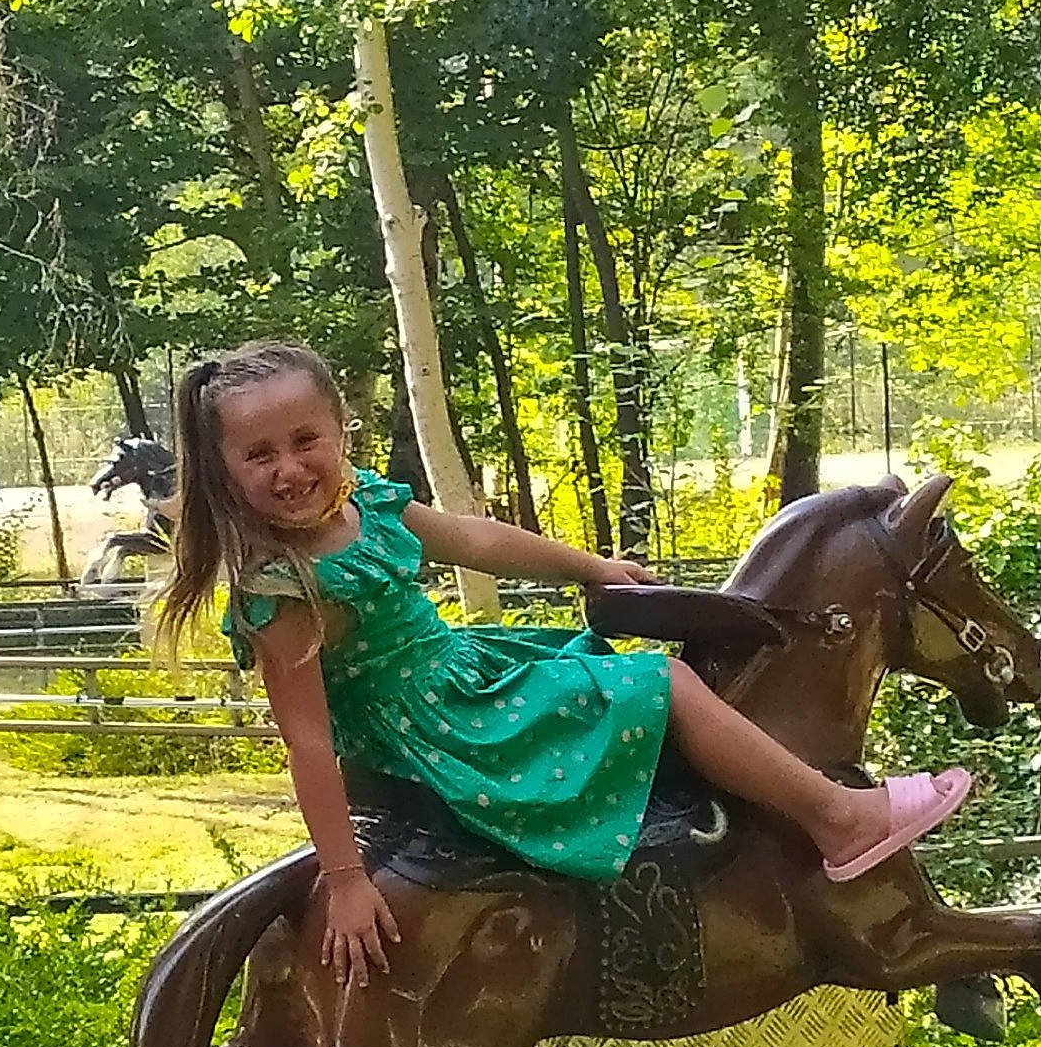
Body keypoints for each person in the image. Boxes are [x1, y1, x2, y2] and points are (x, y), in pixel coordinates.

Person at [158, 340, 972, 988]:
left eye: (305, 441)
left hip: (461, 671)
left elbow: (474, 538)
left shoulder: (363, 502)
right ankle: (840, 818)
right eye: (259, 455)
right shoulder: (284, 589)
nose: (290, 469)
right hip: (435, 724)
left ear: (341, 433)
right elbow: (306, 742)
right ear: (226, 469)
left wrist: (588, 565)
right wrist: (343, 879)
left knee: (628, 682)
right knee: (663, 683)